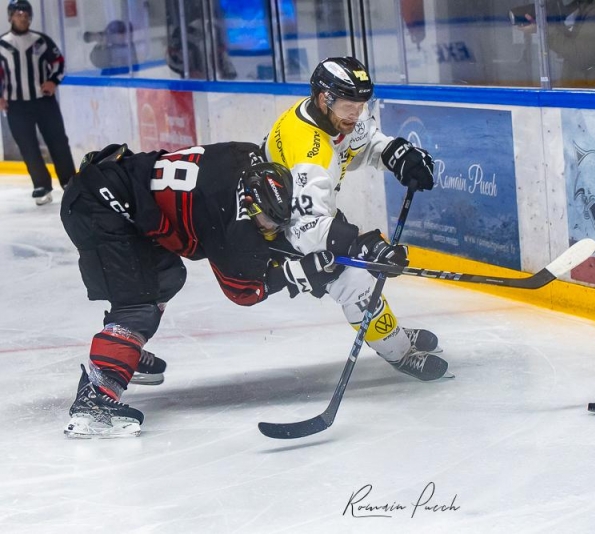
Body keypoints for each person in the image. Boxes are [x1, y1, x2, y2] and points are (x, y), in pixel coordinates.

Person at [60, 141, 341, 438]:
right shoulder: (229, 220)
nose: (269, 230)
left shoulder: (245, 159)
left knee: (165, 276)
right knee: (139, 301)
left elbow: (260, 231)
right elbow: (243, 291)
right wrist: (300, 272)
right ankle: (95, 400)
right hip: (99, 206)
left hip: (114, 191)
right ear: (250, 205)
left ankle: (122, 354)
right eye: (266, 222)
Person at [262, 56, 449, 383]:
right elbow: (306, 229)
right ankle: (400, 353)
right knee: (355, 282)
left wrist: (394, 153)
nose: (357, 114)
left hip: (307, 211)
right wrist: (367, 248)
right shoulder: (310, 152)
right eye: (350, 106)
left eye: (361, 104)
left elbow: (363, 143)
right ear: (324, 99)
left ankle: (391, 333)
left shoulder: (336, 116)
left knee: (361, 271)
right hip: (276, 229)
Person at [0, 0, 75, 205]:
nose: (22, 18)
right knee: (28, 146)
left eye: (26, 14)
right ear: (10, 17)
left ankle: (70, 183)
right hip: (16, 105)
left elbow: (60, 64)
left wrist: (52, 81)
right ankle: (41, 185)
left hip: (44, 102)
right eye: (18, 14)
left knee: (58, 141)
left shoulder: (41, 41)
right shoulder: (2, 45)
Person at [513, 0, 595, 89]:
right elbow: (574, 46)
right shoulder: (588, 5)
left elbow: (581, 56)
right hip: (582, 92)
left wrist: (543, 30)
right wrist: (543, 25)